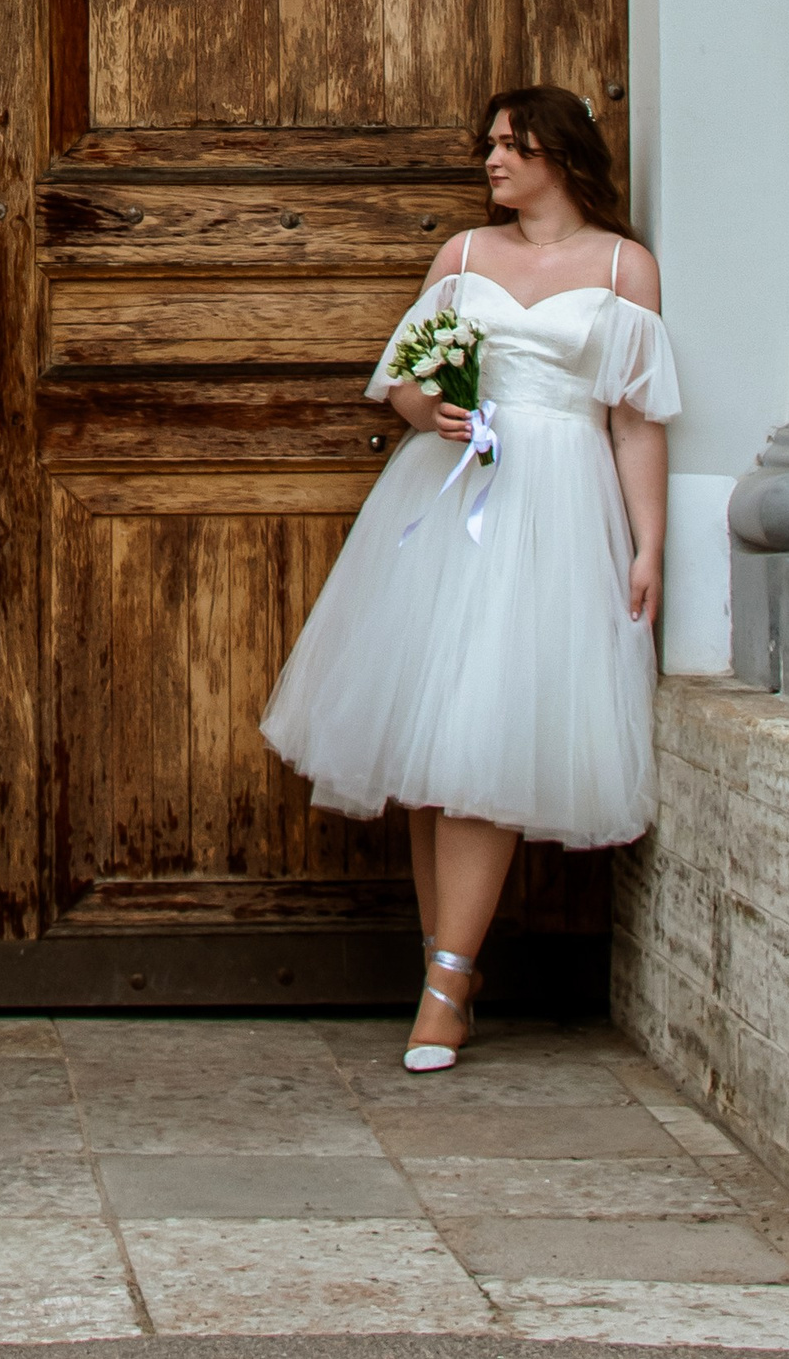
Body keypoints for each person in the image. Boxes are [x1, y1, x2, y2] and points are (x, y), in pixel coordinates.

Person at [259, 84, 676, 1073]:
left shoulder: (624, 267)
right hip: (453, 499)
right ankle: (443, 968)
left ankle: (446, 986)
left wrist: (648, 541)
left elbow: (634, 416)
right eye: (488, 144)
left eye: (508, 144)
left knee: (485, 743)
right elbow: (403, 380)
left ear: (558, 155)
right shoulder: (461, 256)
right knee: (431, 761)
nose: (490, 161)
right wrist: (430, 410)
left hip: (557, 510)